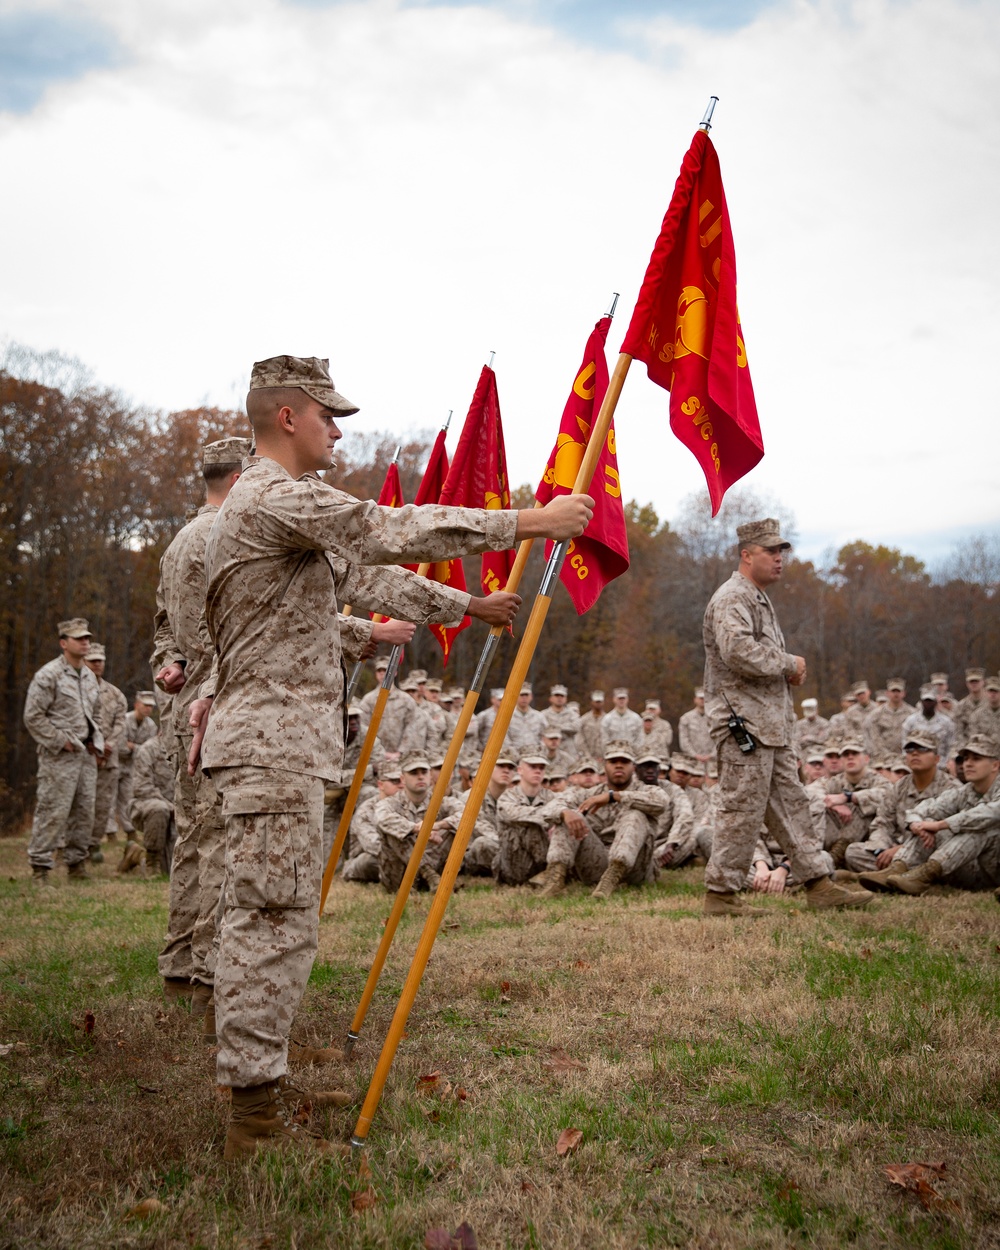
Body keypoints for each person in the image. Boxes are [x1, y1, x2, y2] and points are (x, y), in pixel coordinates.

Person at [188, 353, 593, 1159]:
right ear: (287, 416)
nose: (338, 430)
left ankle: (261, 1082)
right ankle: (252, 1115)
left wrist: (467, 604)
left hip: (283, 745)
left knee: (282, 918)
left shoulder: (284, 511)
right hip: (267, 745)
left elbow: (367, 574)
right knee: (269, 921)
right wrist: (525, 522)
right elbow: (382, 531)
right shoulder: (274, 495)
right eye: (328, 415)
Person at [701, 518, 870, 915]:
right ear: (746, 555)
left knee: (792, 805)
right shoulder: (732, 598)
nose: (779, 559)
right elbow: (737, 651)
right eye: (770, 552)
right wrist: (788, 662)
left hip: (767, 728)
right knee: (740, 809)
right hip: (743, 726)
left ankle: (817, 882)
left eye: (782, 552)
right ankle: (721, 896)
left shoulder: (755, 596)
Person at [151, 435, 249, 1010]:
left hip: (186, 705)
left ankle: (180, 968)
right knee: (216, 845)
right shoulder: (221, 537)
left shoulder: (177, 542)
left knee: (194, 841)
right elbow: (231, 635)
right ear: (238, 483)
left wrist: (170, 662)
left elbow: (165, 625)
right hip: (214, 710)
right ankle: (210, 980)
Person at [859, 734, 1000, 895]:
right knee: (927, 823)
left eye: (976, 758)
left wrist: (940, 825)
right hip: (969, 868)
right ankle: (897, 870)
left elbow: (991, 813)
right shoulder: (964, 792)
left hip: (994, 869)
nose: (967, 764)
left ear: (995, 765)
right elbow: (923, 809)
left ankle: (925, 874)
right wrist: (918, 825)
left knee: (978, 827)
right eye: (965, 759)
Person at [24, 618, 103, 886]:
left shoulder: (90, 676)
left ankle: (76, 864)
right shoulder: (49, 675)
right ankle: (40, 868)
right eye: (78, 638)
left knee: (84, 811)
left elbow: (96, 711)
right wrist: (60, 741)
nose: (85, 642)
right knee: (53, 809)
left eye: (87, 637)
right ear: (63, 643)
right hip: (58, 756)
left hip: (85, 755)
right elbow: (33, 717)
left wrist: (95, 738)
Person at [535, 740, 666, 899]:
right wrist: (565, 812)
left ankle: (613, 876)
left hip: (636, 870)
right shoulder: (589, 794)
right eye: (613, 762)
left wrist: (614, 796)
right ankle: (555, 878)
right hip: (597, 865)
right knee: (569, 816)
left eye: (624, 762)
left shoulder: (646, 790)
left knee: (635, 815)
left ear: (633, 767)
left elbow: (662, 802)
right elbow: (548, 810)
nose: (619, 765)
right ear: (605, 766)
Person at [843, 731, 958, 876]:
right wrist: (880, 849)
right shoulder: (899, 787)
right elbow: (882, 823)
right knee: (854, 852)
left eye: (922, 749)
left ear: (936, 758)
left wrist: (901, 849)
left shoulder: (951, 788)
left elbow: (946, 833)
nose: (915, 753)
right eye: (910, 750)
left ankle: (899, 873)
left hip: (935, 852)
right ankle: (902, 874)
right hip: (896, 852)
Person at [376, 751, 464, 892]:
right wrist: (417, 828)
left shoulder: (443, 802)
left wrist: (437, 826)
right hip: (400, 876)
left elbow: (467, 817)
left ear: (430, 776)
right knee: (393, 831)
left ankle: (440, 878)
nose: (420, 776)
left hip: (438, 869)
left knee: (457, 828)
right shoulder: (390, 803)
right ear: (402, 779)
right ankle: (428, 873)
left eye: (424, 772)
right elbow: (383, 817)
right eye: (414, 773)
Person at [83, 642, 127, 863]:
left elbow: (120, 723)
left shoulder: (115, 694)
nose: (97, 664)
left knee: (102, 805)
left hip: (108, 758)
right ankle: (68, 846)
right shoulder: (77, 689)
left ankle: (93, 845)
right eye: (92, 661)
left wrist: (108, 745)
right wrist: (94, 745)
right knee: (79, 803)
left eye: (100, 660)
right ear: (84, 662)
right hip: (85, 755)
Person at [120, 733, 175, 875]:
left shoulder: (185, 747)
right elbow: (142, 788)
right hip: (147, 805)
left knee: (172, 869)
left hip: (177, 813)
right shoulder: (148, 749)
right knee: (159, 809)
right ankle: (151, 861)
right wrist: (172, 806)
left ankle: (136, 854)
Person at [342, 763, 400, 884]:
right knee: (370, 860)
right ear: (380, 784)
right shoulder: (366, 810)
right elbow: (374, 845)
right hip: (367, 858)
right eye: (395, 781)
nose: (400, 785)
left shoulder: (404, 806)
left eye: (402, 781)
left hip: (398, 855)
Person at [117, 692, 159, 834]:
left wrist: (133, 747)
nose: (148, 708)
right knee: (108, 799)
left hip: (133, 767)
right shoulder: (125, 720)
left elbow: (151, 750)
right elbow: (120, 747)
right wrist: (138, 748)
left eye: (150, 706)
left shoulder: (151, 725)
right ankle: (109, 832)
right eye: (145, 705)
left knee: (128, 798)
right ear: (136, 704)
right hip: (115, 763)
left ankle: (130, 830)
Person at [864, 678, 914, 762]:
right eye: (893, 691)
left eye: (898, 691)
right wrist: (884, 755)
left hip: (905, 757)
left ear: (903, 693)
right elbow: (873, 737)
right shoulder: (876, 714)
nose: (896, 694)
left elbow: (913, 736)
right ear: (887, 693)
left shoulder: (912, 713)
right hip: (882, 758)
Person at [902, 688, 955, 760]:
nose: (928, 704)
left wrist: (947, 762)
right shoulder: (911, 721)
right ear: (921, 702)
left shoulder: (946, 722)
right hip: (917, 762)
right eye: (926, 701)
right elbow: (904, 742)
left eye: (930, 701)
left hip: (940, 762)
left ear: (935, 702)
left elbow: (951, 744)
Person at [600, 688, 643, 753]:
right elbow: (604, 740)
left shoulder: (635, 718)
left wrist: (634, 752)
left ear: (627, 699)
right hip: (613, 755)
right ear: (614, 699)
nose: (621, 701)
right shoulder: (607, 719)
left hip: (631, 755)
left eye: (623, 698)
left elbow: (640, 739)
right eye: (619, 698)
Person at [678, 688, 714, 765]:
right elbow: (684, 740)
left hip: (712, 761)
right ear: (695, 700)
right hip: (692, 761)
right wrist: (695, 755)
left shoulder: (714, 718)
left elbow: (720, 738)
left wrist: (712, 755)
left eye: (705, 698)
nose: (703, 700)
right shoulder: (686, 718)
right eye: (700, 698)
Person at [954, 668, 987, 749]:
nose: (974, 684)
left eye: (977, 681)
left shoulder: (991, 703)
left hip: (989, 747)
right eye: (971, 682)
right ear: (967, 684)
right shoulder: (961, 706)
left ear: (983, 682)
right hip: (968, 747)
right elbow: (959, 731)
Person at [542, 684, 581, 751]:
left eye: (562, 696)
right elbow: (541, 730)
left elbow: (576, 727)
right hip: (548, 749)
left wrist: (556, 727)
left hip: (568, 749)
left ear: (566, 699)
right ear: (551, 698)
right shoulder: (543, 714)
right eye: (556, 695)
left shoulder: (572, 714)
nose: (559, 698)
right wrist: (566, 727)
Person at [578, 691, 606, 763]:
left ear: (603, 702)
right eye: (596, 702)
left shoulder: (608, 719)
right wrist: (587, 756)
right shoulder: (584, 720)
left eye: (600, 702)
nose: (598, 704)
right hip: (587, 758)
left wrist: (604, 756)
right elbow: (580, 739)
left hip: (604, 758)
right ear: (592, 702)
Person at [970, 676, 1000, 742]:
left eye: (996, 691)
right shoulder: (977, 715)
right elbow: (974, 739)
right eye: (990, 691)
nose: (993, 694)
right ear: (985, 692)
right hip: (983, 750)